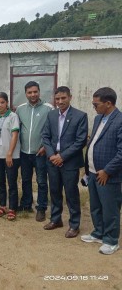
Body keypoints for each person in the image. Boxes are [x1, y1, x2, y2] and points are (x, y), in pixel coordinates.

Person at [42, 86, 88, 238]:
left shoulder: (80, 116)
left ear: (70, 97)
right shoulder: (51, 115)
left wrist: (62, 156)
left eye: (63, 98)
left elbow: (80, 141)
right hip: (52, 161)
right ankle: (56, 219)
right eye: (57, 99)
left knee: (71, 193)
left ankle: (74, 225)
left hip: (70, 162)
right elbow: (46, 137)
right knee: (54, 191)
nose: (60, 101)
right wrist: (51, 155)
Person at [81, 87, 122, 255]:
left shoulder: (119, 121)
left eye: (95, 104)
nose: (94, 107)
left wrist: (107, 170)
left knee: (110, 208)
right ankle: (98, 232)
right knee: (96, 206)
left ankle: (112, 240)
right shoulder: (99, 118)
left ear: (108, 103)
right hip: (93, 172)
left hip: (108, 175)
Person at [16, 81, 53, 221]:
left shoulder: (48, 108)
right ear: (26, 94)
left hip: (41, 153)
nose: (33, 94)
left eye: (35, 92)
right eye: (30, 92)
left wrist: (45, 147)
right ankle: (26, 204)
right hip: (24, 153)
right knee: (25, 180)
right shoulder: (20, 109)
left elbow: (52, 131)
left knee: (42, 181)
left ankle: (41, 208)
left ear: (39, 92)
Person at [0, 93, 21, 221]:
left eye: (2, 102)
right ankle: (3, 206)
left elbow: (15, 135)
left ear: (7, 102)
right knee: (0, 182)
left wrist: (9, 153)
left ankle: (12, 208)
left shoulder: (13, 116)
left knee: (12, 182)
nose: (0, 105)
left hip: (11, 156)